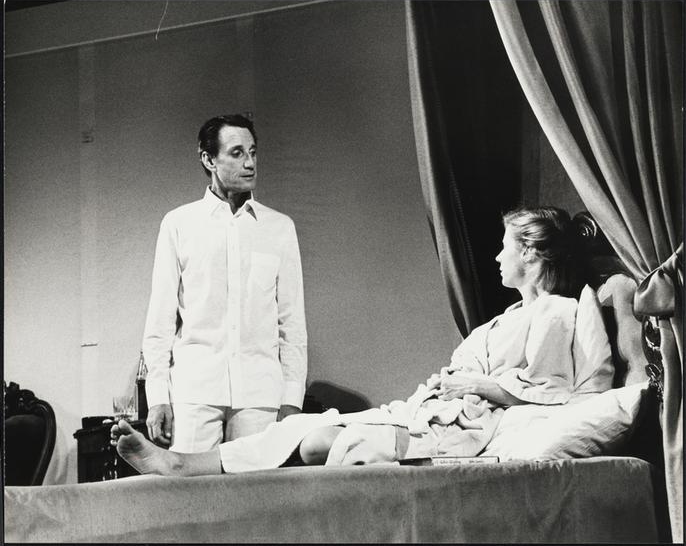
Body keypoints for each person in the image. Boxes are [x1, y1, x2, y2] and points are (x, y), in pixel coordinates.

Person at [114, 206, 612, 475]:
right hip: (432, 411)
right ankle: (178, 463)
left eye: (505, 248)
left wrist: (475, 386)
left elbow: (550, 391)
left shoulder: (558, 312)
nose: (497, 259)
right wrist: (455, 384)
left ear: (530, 253)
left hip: (462, 429)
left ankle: (183, 466)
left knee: (327, 443)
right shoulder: (505, 319)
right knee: (304, 429)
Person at [142, 114, 307, 453]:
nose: (250, 163)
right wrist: (157, 397)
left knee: (257, 487)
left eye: (253, 152)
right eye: (237, 153)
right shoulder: (179, 225)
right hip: (194, 392)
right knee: (188, 485)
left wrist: (292, 400)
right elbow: (160, 320)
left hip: (260, 396)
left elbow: (292, 324)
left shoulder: (279, 228)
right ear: (209, 159)